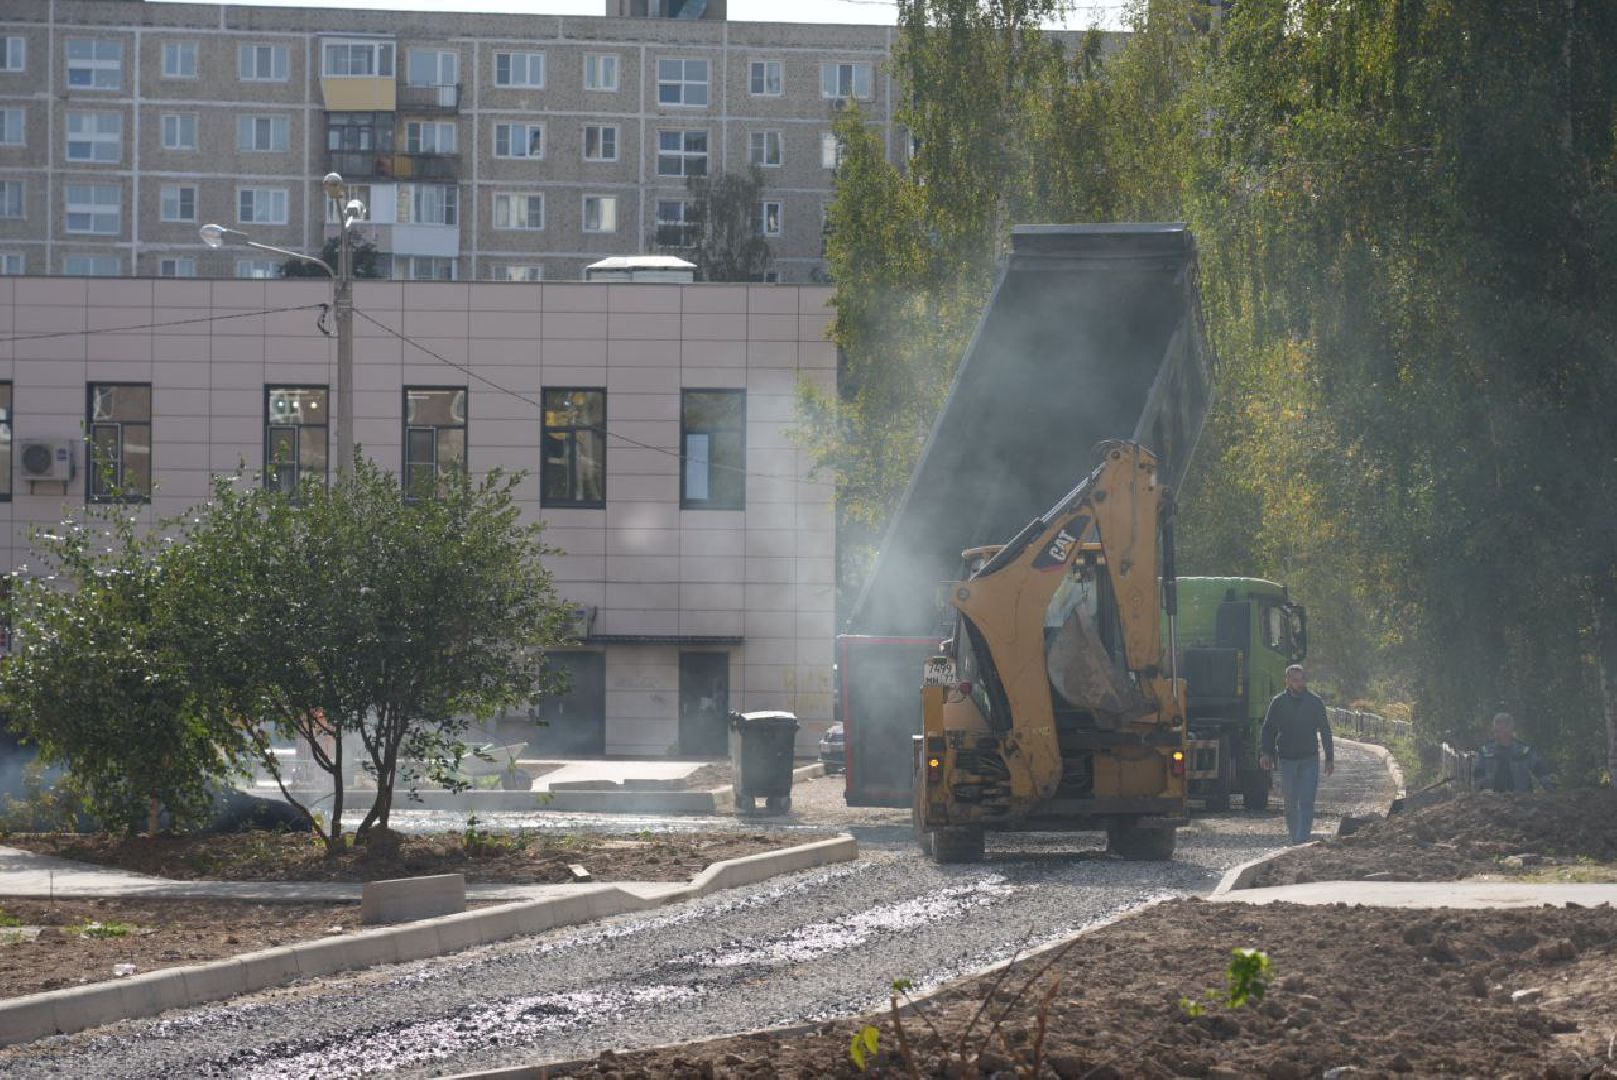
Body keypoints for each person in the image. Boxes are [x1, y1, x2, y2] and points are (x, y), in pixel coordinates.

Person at [1258, 664, 1334, 844]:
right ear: (1287, 681)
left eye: (1300, 679)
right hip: (1286, 759)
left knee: (1307, 800)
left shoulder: (1314, 702)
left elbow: (1325, 730)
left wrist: (1329, 757)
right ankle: (1295, 837)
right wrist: (1266, 753)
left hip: (1309, 758)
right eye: (1294, 680)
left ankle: (1302, 838)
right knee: (1290, 802)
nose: (1298, 683)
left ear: (1304, 680)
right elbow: (1268, 729)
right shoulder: (1278, 702)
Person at [1475, 712, 1554, 793]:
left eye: (1502, 730)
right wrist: (1481, 790)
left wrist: (1550, 788)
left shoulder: (1525, 750)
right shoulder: (1485, 751)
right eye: (1496, 730)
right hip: (1492, 800)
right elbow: (1478, 774)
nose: (1498, 734)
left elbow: (1540, 771)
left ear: (1510, 729)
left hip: (1521, 800)